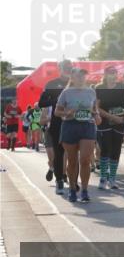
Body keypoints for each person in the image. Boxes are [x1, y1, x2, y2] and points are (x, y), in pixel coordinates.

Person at [55, 68, 101, 202]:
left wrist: (96, 115)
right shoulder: (66, 92)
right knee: (72, 160)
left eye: (83, 76)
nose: (81, 78)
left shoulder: (91, 92)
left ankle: (85, 190)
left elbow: (94, 109)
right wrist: (67, 113)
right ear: (72, 78)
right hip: (70, 126)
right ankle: (73, 189)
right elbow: (57, 112)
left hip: (87, 126)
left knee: (85, 160)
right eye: (78, 76)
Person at [42, 60, 74, 192]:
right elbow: (42, 102)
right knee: (59, 153)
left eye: (69, 67)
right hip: (57, 123)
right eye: (65, 67)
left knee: (73, 154)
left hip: (74, 122)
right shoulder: (52, 84)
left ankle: (73, 181)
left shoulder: (77, 83)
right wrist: (57, 100)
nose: (67, 69)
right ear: (59, 68)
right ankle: (59, 180)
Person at [95, 66, 124, 190]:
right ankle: (103, 178)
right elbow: (97, 107)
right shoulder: (99, 88)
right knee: (105, 150)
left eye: (114, 72)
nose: (112, 75)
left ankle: (112, 178)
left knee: (116, 150)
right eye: (110, 73)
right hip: (105, 123)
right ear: (105, 74)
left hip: (120, 122)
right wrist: (112, 117)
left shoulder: (122, 87)